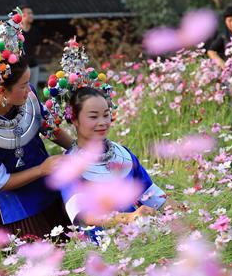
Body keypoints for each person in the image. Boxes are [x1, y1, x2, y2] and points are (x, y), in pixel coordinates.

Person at [0, 9, 75, 239]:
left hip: (45, 188)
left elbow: (48, 128)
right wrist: (41, 169)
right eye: (23, 85)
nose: (29, 89)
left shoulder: (28, 98)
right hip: (14, 206)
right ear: (2, 91)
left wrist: (79, 149)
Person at [59, 87, 169, 231]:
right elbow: (85, 216)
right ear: (75, 119)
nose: (103, 122)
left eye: (106, 115)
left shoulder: (123, 154)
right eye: (93, 117)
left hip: (137, 233)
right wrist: (128, 218)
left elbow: (152, 194)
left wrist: (185, 212)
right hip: (102, 244)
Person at [20, 5, 42, 86]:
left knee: (33, 90)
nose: (32, 15)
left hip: (33, 65)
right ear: (22, 15)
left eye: (32, 13)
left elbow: (38, 47)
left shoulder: (35, 31)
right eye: (29, 13)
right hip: (20, 67)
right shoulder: (17, 31)